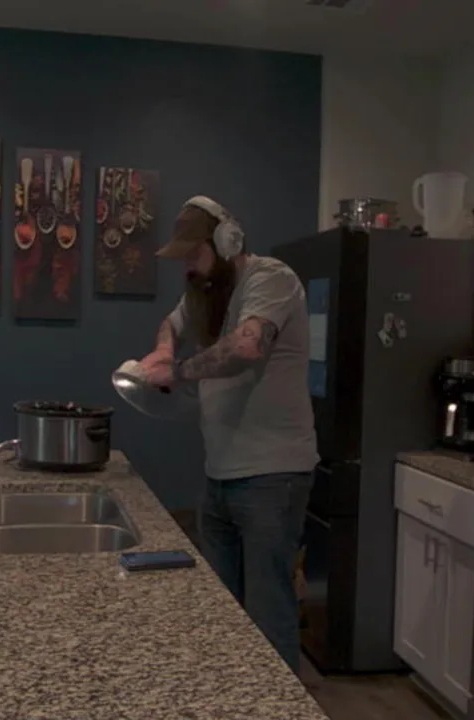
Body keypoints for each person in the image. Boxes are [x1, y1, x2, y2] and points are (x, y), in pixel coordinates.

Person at [138, 196, 317, 673]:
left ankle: (277, 704)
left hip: (272, 476)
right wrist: (163, 350)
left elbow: (247, 346)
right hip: (220, 474)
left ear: (227, 241)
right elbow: (171, 323)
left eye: (194, 255)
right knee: (223, 614)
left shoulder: (270, 279)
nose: (188, 269)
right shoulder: (204, 291)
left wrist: (178, 371)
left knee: (267, 612)